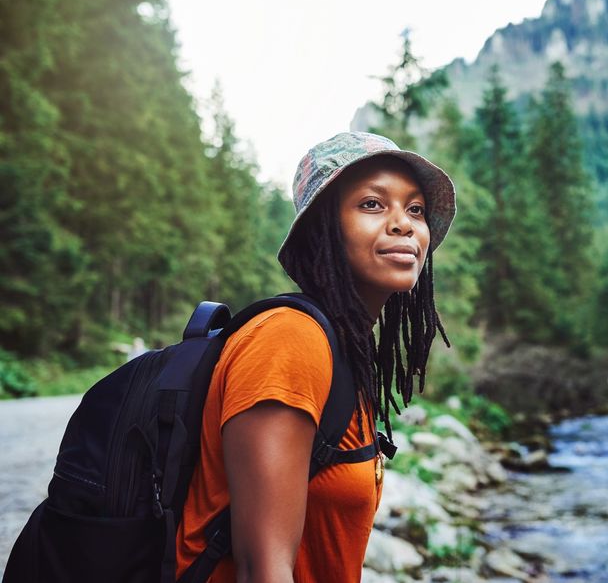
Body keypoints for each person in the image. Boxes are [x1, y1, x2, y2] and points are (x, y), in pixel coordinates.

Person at [174, 131, 456, 582]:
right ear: (323, 228)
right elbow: (262, 570)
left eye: (416, 209)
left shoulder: (344, 350)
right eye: (372, 204)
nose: (403, 224)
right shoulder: (290, 340)